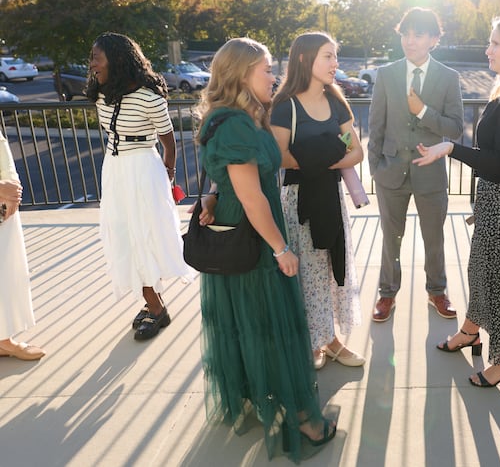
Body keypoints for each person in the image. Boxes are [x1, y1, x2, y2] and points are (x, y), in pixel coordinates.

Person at [195, 37, 336, 462]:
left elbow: (230, 182)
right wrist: (280, 248)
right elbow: (254, 198)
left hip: (236, 229)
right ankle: (303, 419)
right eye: (266, 70)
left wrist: (213, 197)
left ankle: (257, 395)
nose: (273, 77)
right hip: (254, 241)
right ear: (240, 74)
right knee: (272, 327)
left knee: (246, 323)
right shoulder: (236, 124)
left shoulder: (235, 117)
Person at [413, 13, 500, 387]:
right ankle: (471, 331)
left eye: (495, 43)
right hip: (496, 202)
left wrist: (450, 149)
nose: (487, 50)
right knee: (481, 274)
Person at [87, 32, 192, 341]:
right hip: (115, 170)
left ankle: (156, 308)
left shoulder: (149, 98)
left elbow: (168, 143)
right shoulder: (101, 94)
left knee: (143, 237)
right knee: (123, 236)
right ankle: (152, 302)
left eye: (97, 57)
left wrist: (167, 175)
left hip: (143, 170)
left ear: (117, 60)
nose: (92, 63)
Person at [271, 32, 365, 370]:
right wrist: (325, 155)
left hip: (331, 196)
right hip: (299, 200)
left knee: (329, 268)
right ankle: (315, 341)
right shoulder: (285, 106)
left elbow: (356, 152)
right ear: (303, 58)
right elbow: (279, 157)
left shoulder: (336, 100)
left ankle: (330, 340)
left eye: (335, 56)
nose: (335, 63)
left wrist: (318, 158)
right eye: (328, 56)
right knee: (307, 272)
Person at [367, 7, 464, 322]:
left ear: (434, 39)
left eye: (418, 34)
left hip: (430, 173)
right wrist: (374, 168)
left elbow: (454, 129)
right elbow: (375, 126)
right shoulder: (386, 74)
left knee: (433, 237)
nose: (410, 40)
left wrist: (423, 111)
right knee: (390, 237)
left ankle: (437, 291)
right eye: (405, 33)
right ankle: (386, 295)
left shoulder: (449, 78)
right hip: (390, 172)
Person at [0, 131, 45, 360]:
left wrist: (12, 194)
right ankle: (5, 341)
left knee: (8, 274)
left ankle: (3, 339)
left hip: (4, 211)